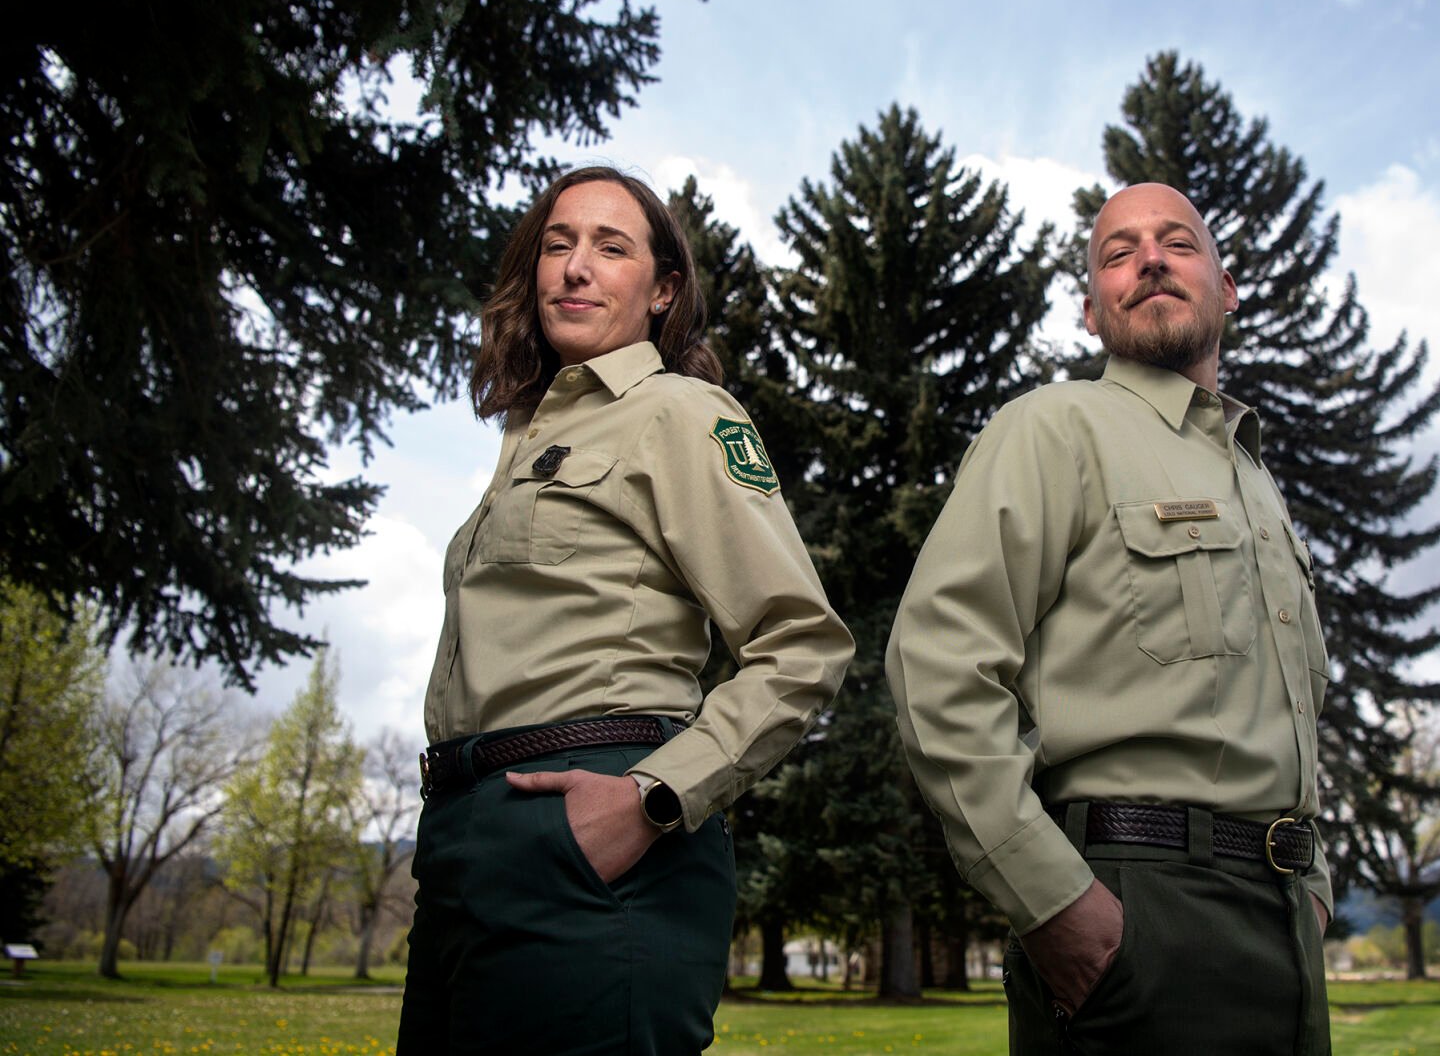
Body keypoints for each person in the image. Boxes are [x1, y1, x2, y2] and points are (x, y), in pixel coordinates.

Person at [398, 166, 853, 1055]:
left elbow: (800, 645)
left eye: (611, 247)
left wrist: (650, 801)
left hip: (592, 834)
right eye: (558, 244)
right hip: (457, 836)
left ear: (662, 289)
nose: (576, 266)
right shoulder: (526, 439)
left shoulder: (679, 415)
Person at [885, 183, 1333, 1055]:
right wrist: (1056, 904)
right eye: (1118, 253)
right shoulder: (1052, 429)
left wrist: (1311, 884)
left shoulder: (1256, 486)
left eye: (1177, 243)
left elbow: (1292, 713)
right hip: (1135, 908)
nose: (1150, 260)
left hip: (1281, 917)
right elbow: (938, 667)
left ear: (1226, 287)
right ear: (1091, 309)